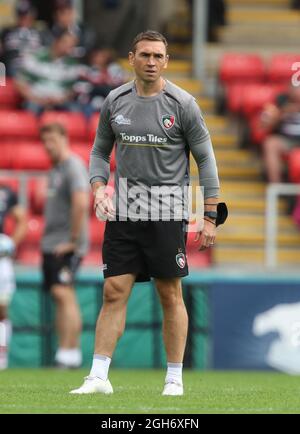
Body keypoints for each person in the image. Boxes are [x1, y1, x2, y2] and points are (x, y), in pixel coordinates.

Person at [70, 30, 220, 396]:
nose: (151, 62)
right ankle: (98, 377)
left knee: (169, 294)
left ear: (166, 61)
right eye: (145, 55)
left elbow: (206, 160)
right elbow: (98, 152)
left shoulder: (183, 104)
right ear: (132, 58)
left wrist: (210, 216)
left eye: (158, 56)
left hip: (168, 212)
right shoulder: (115, 100)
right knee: (113, 291)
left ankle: (173, 379)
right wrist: (98, 186)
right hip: (124, 211)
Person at [40, 123, 90, 369]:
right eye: (45, 141)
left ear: (64, 138)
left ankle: (72, 353)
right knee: (58, 295)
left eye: (53, 140)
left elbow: (81, 202)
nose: (49, 145)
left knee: (64, 293)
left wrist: (73, 241)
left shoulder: (73, 166)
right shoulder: (56, 169)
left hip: (65, 245)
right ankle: (64, 350)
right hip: (51, 243)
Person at [15, 29, 80, 115]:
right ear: (56, 41)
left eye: (72, 45)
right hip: (36, 100)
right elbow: (20, 83)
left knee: (76, 111)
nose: (69, 47)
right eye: (66, 43)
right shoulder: (35, 57)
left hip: (60, 102)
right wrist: (36, 99)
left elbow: (71, 90)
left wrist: (61, 100)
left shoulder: (72, 64)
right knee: (31, 109)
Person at [0, 183, 27, 369]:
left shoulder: (6, 192)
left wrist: (10, 245)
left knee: (1, 308)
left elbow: (22, 219)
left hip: (1, 259)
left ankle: (1, 356)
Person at [75, 47, 128, 117]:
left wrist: (105, 78)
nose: (97, 59)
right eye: (95, 56)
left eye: (101, 56)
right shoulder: (88, 69)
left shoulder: (114, 68)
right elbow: (80, 86)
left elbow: (119, 81)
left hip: (108, 99)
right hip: (90, 101)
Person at [262, 85, 300, 183]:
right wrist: (280, 114)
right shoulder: (281, 101)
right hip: (287, 140)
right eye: (296, 88)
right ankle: (276, 187)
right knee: (270, 144)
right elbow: (264, 125)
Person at [0, 0, 43, 77]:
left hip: (34, 75)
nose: (24, 18)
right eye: (21, 15)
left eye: (27, 15)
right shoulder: (7, 31)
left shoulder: (40, 33)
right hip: (11, 74)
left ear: (33, 15)